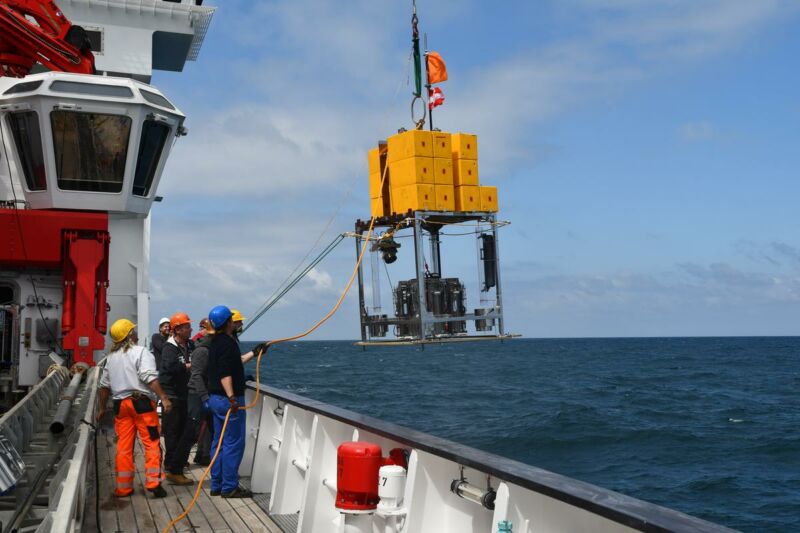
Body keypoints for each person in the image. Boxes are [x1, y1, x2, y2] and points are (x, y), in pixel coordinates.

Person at [97, 318, 173, 498]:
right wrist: (164, 397)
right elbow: (148, 377)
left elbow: (104, 386)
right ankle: (153, 482)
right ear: (130, 335)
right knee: (152, 443)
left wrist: (101, 408)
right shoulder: (141, 352)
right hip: (142, 404)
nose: (136, 333)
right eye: (133, 330)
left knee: (123, 446)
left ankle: (123, 487)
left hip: (120, 406)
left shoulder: (110, 359)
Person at [206, 305, 266, 497]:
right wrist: (232, 397)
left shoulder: (215, 342)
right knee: (233, 443)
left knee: (219, 442)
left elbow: (232, 363)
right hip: (227, 400)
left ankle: (217, 484)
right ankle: (229, 487)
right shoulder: (228, 343)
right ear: (228, 322)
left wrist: (254, 353)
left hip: (215, 398)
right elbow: (225, 373)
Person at [159, 312, 194, 485]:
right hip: (172, 396)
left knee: (183, 431)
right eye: (187, 326)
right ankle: (171, 467)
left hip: (185, 394)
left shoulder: (190, 345)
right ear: (178, 330)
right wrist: (189, 366)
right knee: (172, 432)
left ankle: (176, 464)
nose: (190, 329)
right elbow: (171, 367)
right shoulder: (169, 348)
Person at [187, 319, 213, 466]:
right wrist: (204, 397)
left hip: (203, 392)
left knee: (205, 427)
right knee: (193, 430)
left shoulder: (204, 346)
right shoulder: (202, 349)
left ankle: (202, 455)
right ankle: (176, 463)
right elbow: (196, 375)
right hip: (197, 393)